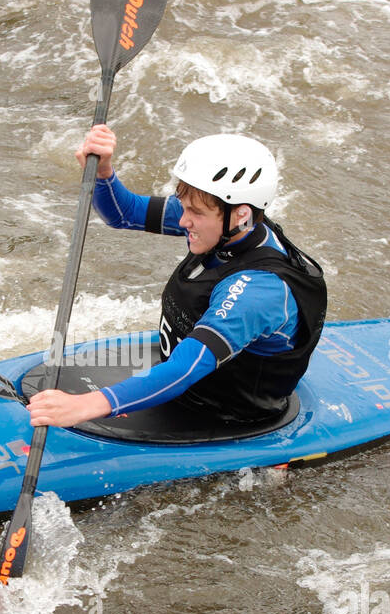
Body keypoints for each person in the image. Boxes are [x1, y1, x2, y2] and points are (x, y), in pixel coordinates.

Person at [26, 124, 327, 429]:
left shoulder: (257, 292)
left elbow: (185, 369)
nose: (183, 221)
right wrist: (103, 172)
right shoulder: (221, 225)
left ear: (242, 214)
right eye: (183, 206)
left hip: (222, 414)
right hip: (189, 379)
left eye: (194, 212)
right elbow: (124, 213)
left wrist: (85, 405)